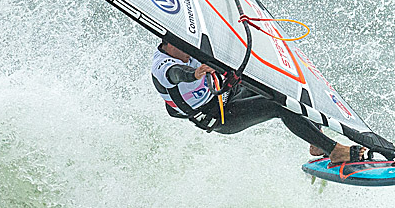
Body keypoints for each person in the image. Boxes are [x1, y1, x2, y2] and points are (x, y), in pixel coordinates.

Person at [151, 40, 367, 164]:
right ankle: (334, 150)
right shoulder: (162, 65)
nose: (189, 52)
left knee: (286, 86)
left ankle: (317, 143)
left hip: (228, 93)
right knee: (279, 105)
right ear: (168, 44)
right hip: (218, 116)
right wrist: (194, 74)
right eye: (184, 48)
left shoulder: (186, 47)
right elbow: (176, 74)